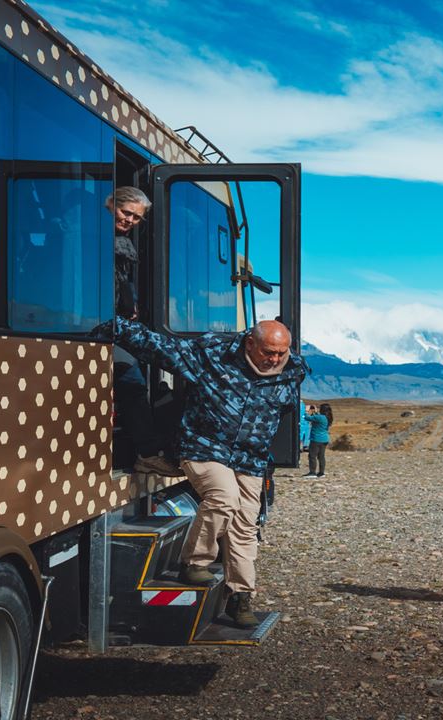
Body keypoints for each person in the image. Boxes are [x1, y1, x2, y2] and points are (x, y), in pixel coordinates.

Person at [106, 316, 306, 628]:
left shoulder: (293, 370)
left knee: (245, 524)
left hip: (250, 458)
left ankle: (241, 596)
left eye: (282, 353)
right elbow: (163, 349)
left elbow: (283, 409)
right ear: (250, 343)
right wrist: (117, 326)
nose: (275, 359)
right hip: (203, 447)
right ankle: (194, 562)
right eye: (269, 352)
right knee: (223, 499)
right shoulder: (214, 354)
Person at [105, 186, 178, 477]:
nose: (130, 221)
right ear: (110, 204)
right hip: (99, 327)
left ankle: (148, 452)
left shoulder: (120, 245)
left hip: (115, 325)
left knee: (133, 379)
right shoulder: (95, 240)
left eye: (137, 218)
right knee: (132, 381)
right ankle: (148, 454)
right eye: (126, 213)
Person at [303, 403, 332, 477]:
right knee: (321, 456)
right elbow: (316, 418)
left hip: (316, 439)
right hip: (324, 439)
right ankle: (321, 473)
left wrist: (306, 410)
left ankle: (312, 472)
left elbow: (307, 418)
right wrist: (315, 412)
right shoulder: (327, 417)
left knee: (312, 456)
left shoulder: (320, 417)